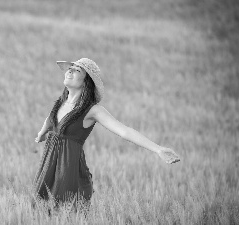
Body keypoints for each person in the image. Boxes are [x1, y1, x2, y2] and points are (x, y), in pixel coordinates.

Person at [33, 58, 180, 210]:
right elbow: (51, 119)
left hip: (68, 170)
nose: (70, 70)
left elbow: (124, 131)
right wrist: (42, 133)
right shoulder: (61, 103)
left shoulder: (93, 111)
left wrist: (157, 149)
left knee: (62, 210)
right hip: (48, 166)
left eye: (77, 70)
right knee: (40, 209)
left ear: (86, 82)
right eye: (70, 68)